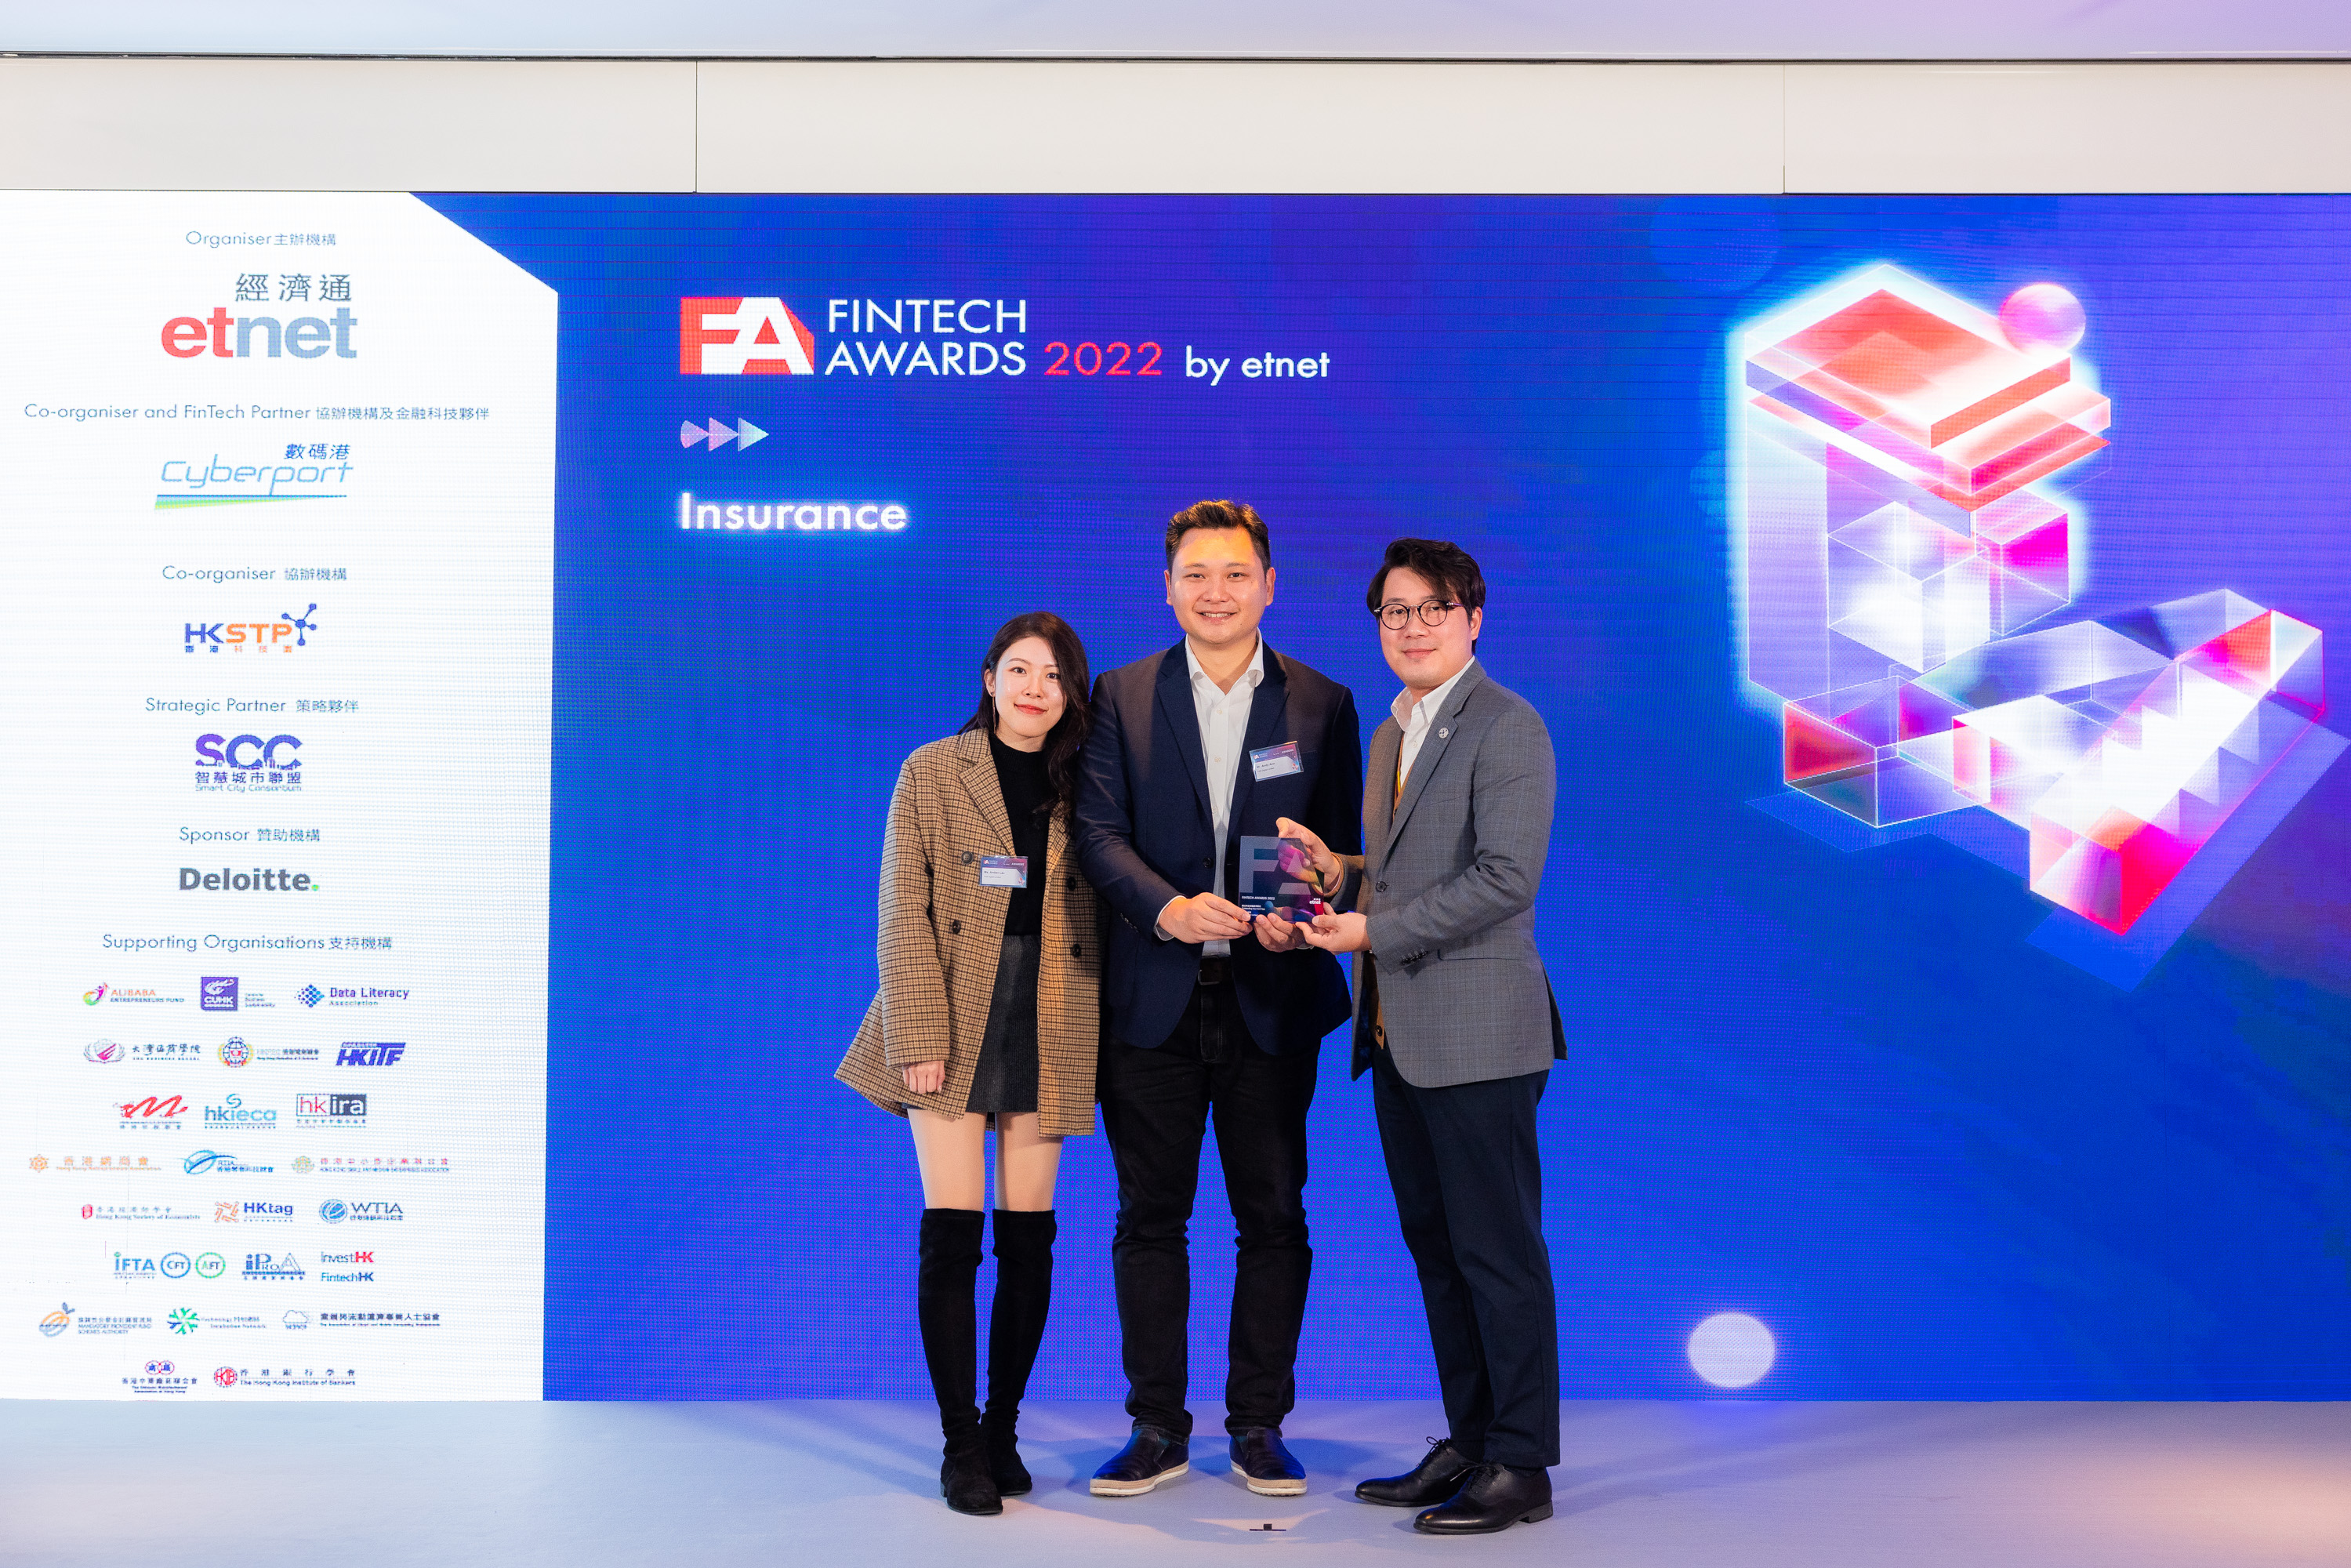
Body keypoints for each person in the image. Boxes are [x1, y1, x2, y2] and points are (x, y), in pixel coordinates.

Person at [1074, 500, 1363, 1498]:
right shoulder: (1118, 694)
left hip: (1272, 998)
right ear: (1166, 588)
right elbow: (1096, 834)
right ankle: (1155, 1425)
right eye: (1194, 573)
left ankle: (1258, 1425)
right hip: (1150, 1000)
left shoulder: (1322, 701)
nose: (1215, 591)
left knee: (1273, 1215)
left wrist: (1308, 911)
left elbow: (1338, 852)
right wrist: (1166, 909)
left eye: (1235, 573)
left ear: (1268, 585)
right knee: (1147, 1217)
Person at [1285, 537, 1565, 1536]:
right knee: (1437, 1250)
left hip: (1479, 1035)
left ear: (1472, 618)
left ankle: (1520, 1463)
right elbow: (1409, 871)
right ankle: (1473, 1438)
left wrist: (1371, 929)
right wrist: (1342, 872)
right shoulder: (1394, 730)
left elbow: (1504, 878)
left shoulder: (1506, 723)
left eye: (1432, 608)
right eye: (1393, 611)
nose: (1411, 626)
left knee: (1497, 1252)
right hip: (1398, 1032)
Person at [835, 612, 1102, 1516]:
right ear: (989, 678)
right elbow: (900, 907)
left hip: (1053, 1008)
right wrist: (917, 1032)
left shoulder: (1090, 780)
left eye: (1053, 675)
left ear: (1071, 693)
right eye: (1019, 669)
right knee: (953, 1233)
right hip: (951, 1005)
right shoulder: (931, 768)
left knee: (1029, 1237)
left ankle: (1002, 1432)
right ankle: (959, 1444)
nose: (1035, 687)